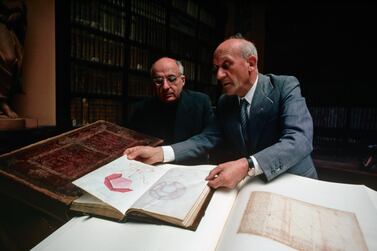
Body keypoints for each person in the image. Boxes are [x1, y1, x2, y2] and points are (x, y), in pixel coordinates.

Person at [125, 35, 317, 188]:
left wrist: (246, 165)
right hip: (253, 185)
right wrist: (160, 153)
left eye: (226, 66)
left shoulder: (285, 86)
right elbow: (206, 138)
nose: (218, 75)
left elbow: (299, 139)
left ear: (251, 63)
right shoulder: (226, 102)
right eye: (216, 68)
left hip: (293, 182)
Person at [127, 57, 219, 164]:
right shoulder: (141, 109)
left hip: (190, 168)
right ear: (153, 84)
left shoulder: (201, 102)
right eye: (158, 81)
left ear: (183, 81)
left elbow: (209, 140)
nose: (165, 86)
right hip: (153, 168)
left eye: (171, 79)